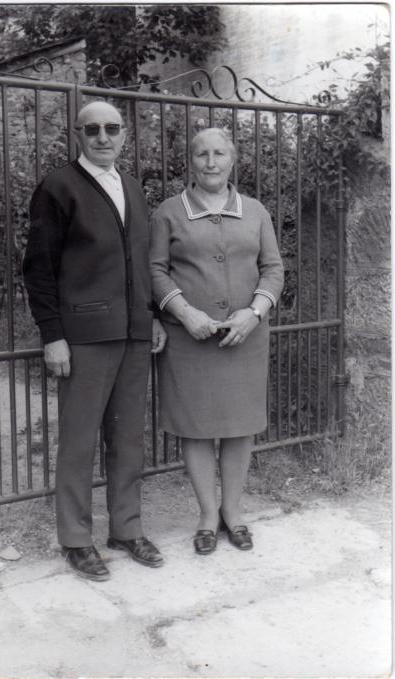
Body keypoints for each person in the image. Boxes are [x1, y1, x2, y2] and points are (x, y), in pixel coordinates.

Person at [23, 101, 167, 581]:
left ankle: (126, 528)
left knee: (128, 437)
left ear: (124, 134)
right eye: (93, 130)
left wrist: (152, 316)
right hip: (84, 336)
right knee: (79, 440)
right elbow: (38, 268)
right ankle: (75, 539)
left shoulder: (132, 188)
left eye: (112, 128)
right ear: (78, 135)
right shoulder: (58, 187)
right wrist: (53, 335)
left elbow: (141, 262)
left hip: (133, 332)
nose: (103, 137)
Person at [150, 127, 284, 555]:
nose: (211, 162)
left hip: (246, 338)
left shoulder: (256, 211)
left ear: (233, 158)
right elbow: (155, 270)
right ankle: (208, 516)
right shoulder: (169, 212)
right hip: (189, 339)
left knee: (240, 427)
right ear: (190, 161)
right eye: (202, 154)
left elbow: (273, 269)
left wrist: (253, 313)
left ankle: (233, 512)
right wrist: (185, 312)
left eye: (219, 153)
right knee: (196, 427)